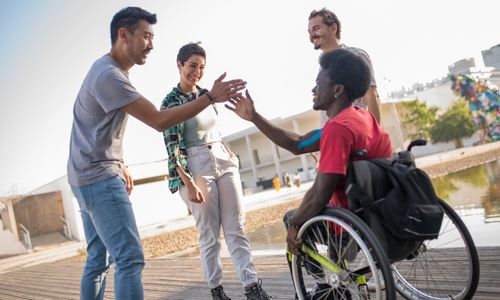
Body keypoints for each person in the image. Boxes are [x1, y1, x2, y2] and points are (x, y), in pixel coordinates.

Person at [67, 7, 246, 300]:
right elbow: (159, 120)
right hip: (98, 177)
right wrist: (209, 97)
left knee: (98, 260)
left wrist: (122, 162)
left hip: (84, 175)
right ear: (123, 35)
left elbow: (96, 128)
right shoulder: (109, 75)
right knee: (129, 259)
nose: (151, 44)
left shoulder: (107, 70)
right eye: (147, 36)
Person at [227, 48, 392, 299]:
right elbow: (298, 143)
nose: (313, 90)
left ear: (337, 90)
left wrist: (295, 225)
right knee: (301, 214)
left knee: (292, 218)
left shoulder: (338, 129)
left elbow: (319, 194)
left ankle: (323, 284)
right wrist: (254, 117)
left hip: (349, 225)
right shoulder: (362, 118)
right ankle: (330, 280)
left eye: (318, 84)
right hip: (378, 215)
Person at [160, 43, 272, 300]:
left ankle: (252, 287)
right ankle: (217, 291)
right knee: (209, 232)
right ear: (179, 65)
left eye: (201, 67)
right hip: (194, 163)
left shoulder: (206, 94)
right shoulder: (171, 102)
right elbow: (173, 145)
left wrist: (225, 149)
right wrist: (187, 181)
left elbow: (213, 130)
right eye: (192, 66)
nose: (196, 72)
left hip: (222, 159)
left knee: (237, 227)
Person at [308, 8, 381, 126]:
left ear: (333, 28)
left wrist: (374, 138)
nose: (312, 35)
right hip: (335, 137)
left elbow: (372, 96)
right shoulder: (323, 67)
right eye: (309, 31)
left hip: (355, 135)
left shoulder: (355, 56)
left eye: (316, 28)